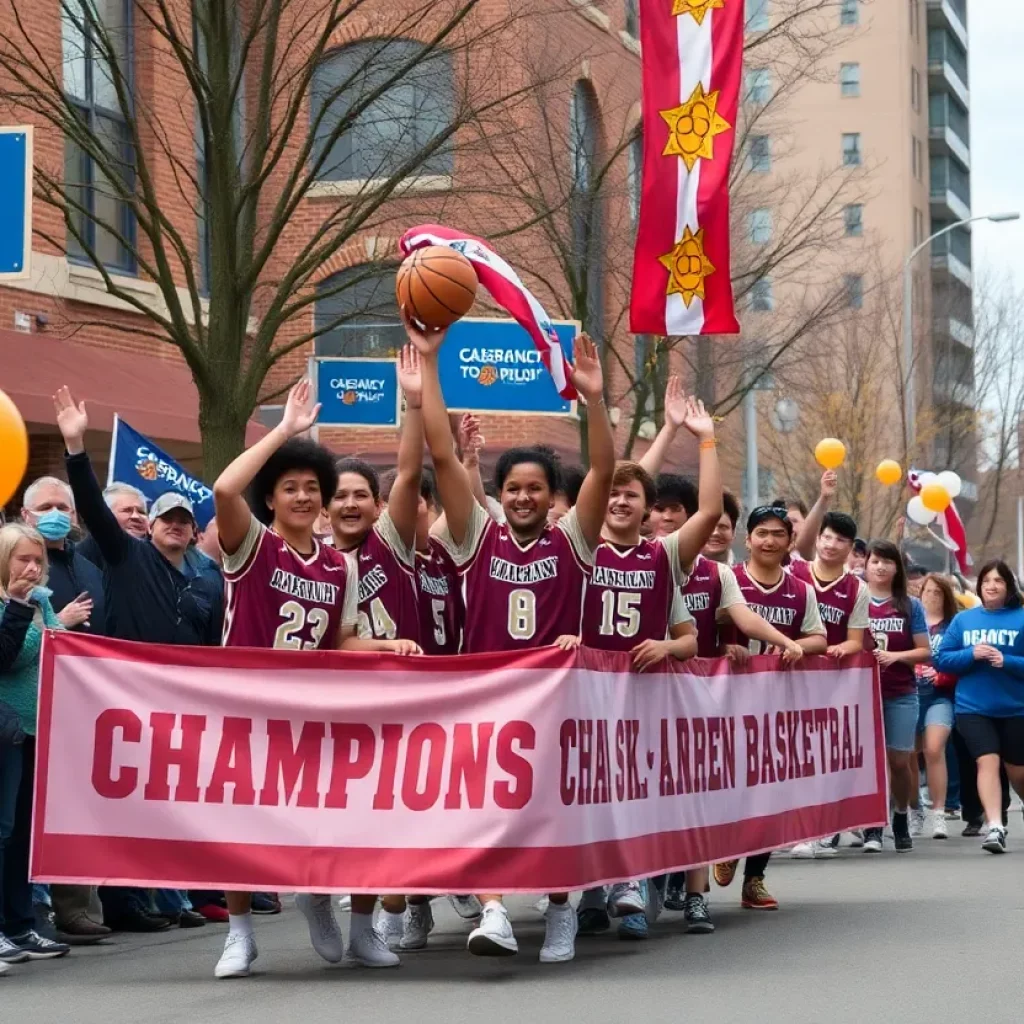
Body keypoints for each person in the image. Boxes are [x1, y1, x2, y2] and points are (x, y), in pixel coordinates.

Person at [413, 315, 612, 964]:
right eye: (513, 488)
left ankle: (560, 911)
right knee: (489, 806)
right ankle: (495, 911)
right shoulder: (479, 536)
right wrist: (432, 363)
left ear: (554, 497)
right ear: (499, 495)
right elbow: (443, 455)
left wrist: (595, 399)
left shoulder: (573, 540)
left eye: (535, 488)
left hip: (553, 697)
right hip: (492, 695)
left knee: (550, 809)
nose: (523, 496)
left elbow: (605, 474)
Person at [210, 377, 419, 978]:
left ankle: (356, 926)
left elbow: (342, 640)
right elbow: (226, 486)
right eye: (289, 488)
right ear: (270, 500)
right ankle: (241, 935)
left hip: (317, 712)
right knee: (243, 826)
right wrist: (284, 432)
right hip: (247, 707)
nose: (303, 497)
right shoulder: (250, 545)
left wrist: (388, 645)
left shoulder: (337, 566)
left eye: (311, 488)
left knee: (357, 813)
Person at [54, 387, 223, 931]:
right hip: (126, 696)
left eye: (182, 521)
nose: (174, 525)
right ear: (149, 527)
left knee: (171, 802)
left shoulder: (205, 580)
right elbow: (96, 511)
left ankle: (164, 896)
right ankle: (127, 902)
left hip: (185, 704)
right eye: (164, 519)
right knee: (126, 798)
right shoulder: (128, 557)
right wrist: (76, 447)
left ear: (194, 531)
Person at [576, 392, 715, 941]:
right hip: (585, 693)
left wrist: (702, 438)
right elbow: (614, 473)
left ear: (647, 506)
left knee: (630, 791)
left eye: (631, 496)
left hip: (640, 696)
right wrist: (663, 433)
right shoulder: (579, 545)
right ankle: (588, 892)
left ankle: (630, 883)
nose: (619, 501)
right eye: (611, 494)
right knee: (587, 794)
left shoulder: (661, 558)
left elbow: (690, 638)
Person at [712, 505, 826, 908]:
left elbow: (818, 638)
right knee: (728, 784)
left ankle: (755, 879)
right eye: (762, 532)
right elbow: (707, 633)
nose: (769, 540)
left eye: (779, 533)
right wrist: (726, 647)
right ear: (748, 539)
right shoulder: (729, 579)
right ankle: (725, 844)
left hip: (776, 705)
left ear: (789, 541)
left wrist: (794, 645)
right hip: (725, 705)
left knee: (770, 793)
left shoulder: (801, 590)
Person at [19, 477, 110, 942]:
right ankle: (27, 914)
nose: (55, 512)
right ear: (25, 515)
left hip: (83, 701)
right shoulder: (18, 566)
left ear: (74, 518)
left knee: (76, 805)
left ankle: (79, 909)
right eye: (45, 505)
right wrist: (61, 623)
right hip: (28, 705)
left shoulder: (88, 563)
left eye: (63, 506)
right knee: (21, 816)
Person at [0, 524, 72, 966]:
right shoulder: (17, 604)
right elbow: (10, 658)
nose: (32, 568)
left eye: (37, 560)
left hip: (36, 731)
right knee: (2, 832)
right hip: (5, 732)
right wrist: (19, 605)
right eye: (22, 559)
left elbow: (61, 648)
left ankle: (20, 925)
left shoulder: (42, 600)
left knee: (24, 836)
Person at [787, 504, 870, 858]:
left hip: (830, 685)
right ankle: (791, 828)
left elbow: (856, 640)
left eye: (839, 540)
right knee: (790, 754)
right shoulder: (795, 571)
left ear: (850, 548)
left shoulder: (856, 589)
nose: (831, 544)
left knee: (819, 756)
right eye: (826, 537)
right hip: (788, 675)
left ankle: (816, 831)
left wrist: (838, 648)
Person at [934, 560, 1024, 854]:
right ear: (979, 586)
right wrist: (971, 653)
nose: (992, 586)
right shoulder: (964, 621)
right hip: (973, 706)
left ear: (1009, 586)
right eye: (987, 581)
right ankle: (995, 826)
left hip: (1015, 707)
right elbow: (942, 659)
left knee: (1017, 772)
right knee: (987, 762)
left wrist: (1006, 661)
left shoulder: (1021, 618)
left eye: (999, 581)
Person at [862, 540, 931, 853]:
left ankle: (900, 814)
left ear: (897, 568)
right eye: (875, 561)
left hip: (900, 693)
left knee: (899, 761)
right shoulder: (857, 599)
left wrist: (895, 656)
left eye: (887, 562)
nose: (880, 567)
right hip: (861, 694)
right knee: (869, 762)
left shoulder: (910, 605)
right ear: (866, 564)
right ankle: (873, 826)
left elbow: (925, 651)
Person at [914, 573, 958, 840]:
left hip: (940, 696)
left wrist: (942, 675)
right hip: (909, 692)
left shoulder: (953, 626)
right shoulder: (912, 621)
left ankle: (939, 813)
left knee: (933, 748)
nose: (931, 596)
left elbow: (961, 661)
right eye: (926, 591)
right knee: (906, 755)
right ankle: (912, 808)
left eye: (937, 592)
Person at [77, 483, 150, 568]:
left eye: (141, 512)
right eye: (127, 510)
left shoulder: (157, 558)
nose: (136, 516)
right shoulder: (78, 558)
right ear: (105, 514)